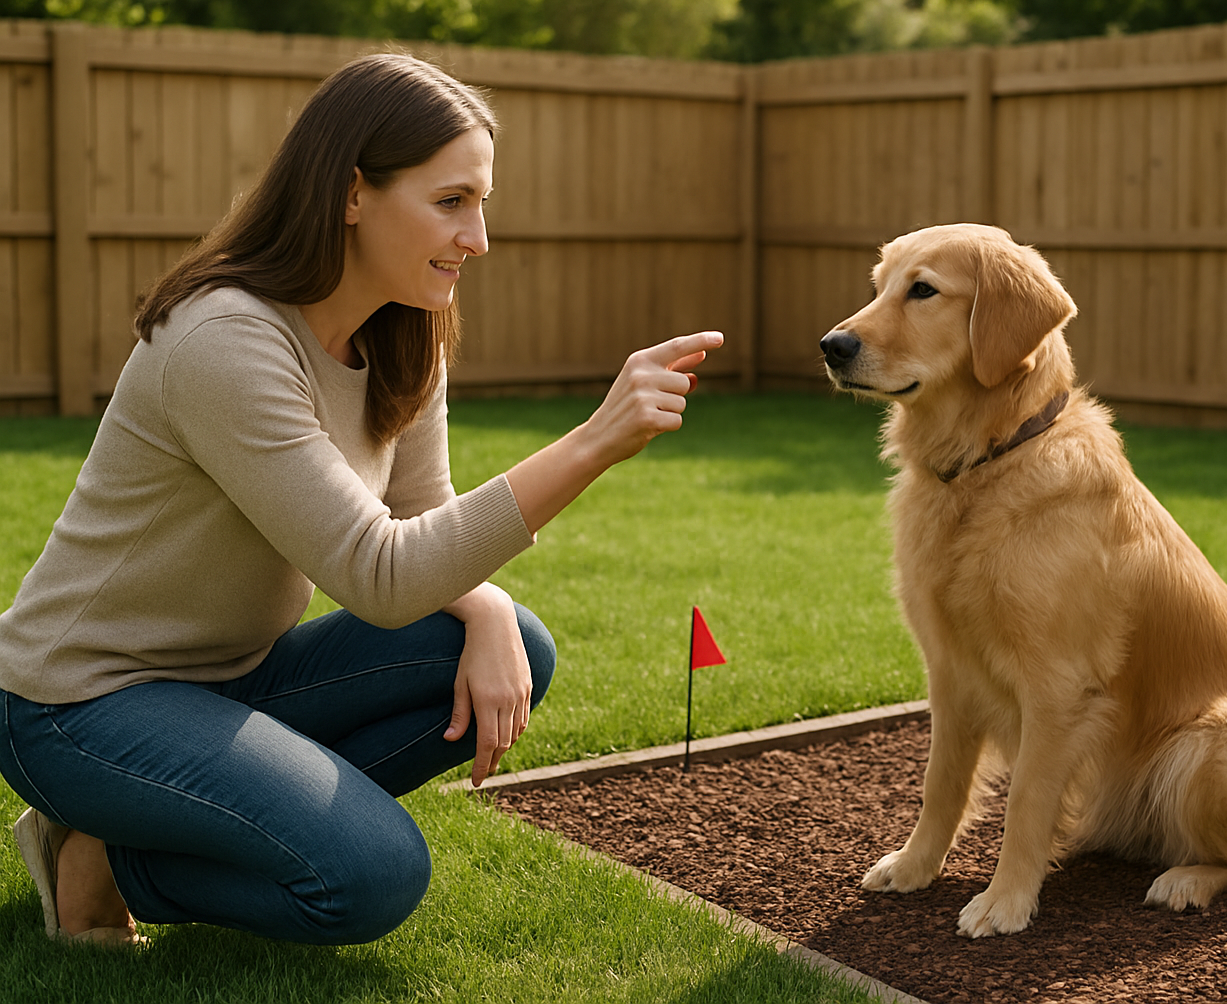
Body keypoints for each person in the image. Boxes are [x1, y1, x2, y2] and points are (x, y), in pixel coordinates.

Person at [0, 52, 722, 948]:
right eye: (452, 201)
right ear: (351, 193)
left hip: (228, 679)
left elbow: (424, 524)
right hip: (82, 704)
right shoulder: (225, 340)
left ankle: (135, 838)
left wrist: (491, 610)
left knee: (515, 645)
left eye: (482, 202)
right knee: (371, 876)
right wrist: (593, 442)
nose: (479, 237)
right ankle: (99, 860)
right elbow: (379, 578)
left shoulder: (405, 331)